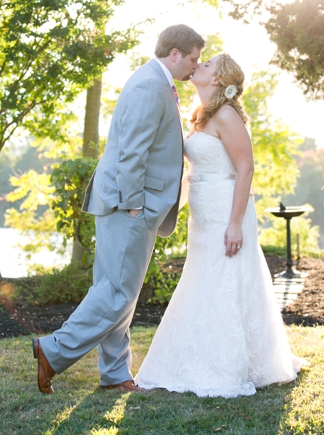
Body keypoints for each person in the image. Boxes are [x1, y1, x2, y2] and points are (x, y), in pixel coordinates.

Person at [33, 24, 205, 394]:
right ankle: (53, 350)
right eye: (193, 58)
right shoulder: (148, 84)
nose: (196, 65)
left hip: (132, 204)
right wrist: (132, 205)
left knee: (115, 289)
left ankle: (114, 374)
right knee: (117, 294)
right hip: (129, 204)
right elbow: (133, 149)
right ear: (174, 54)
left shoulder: (156, 82)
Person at [135, 53, 307, 396]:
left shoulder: (227, 116)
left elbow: (246, 169)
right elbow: (193, 171)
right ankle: (197, 355)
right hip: (202, 216)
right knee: (203, 281)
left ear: (218, 79)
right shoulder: (202, 117)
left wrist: (234, 224)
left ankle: (226, 364)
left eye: (208, 64)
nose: (199, 65)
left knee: (224, 282)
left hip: (226, 214)